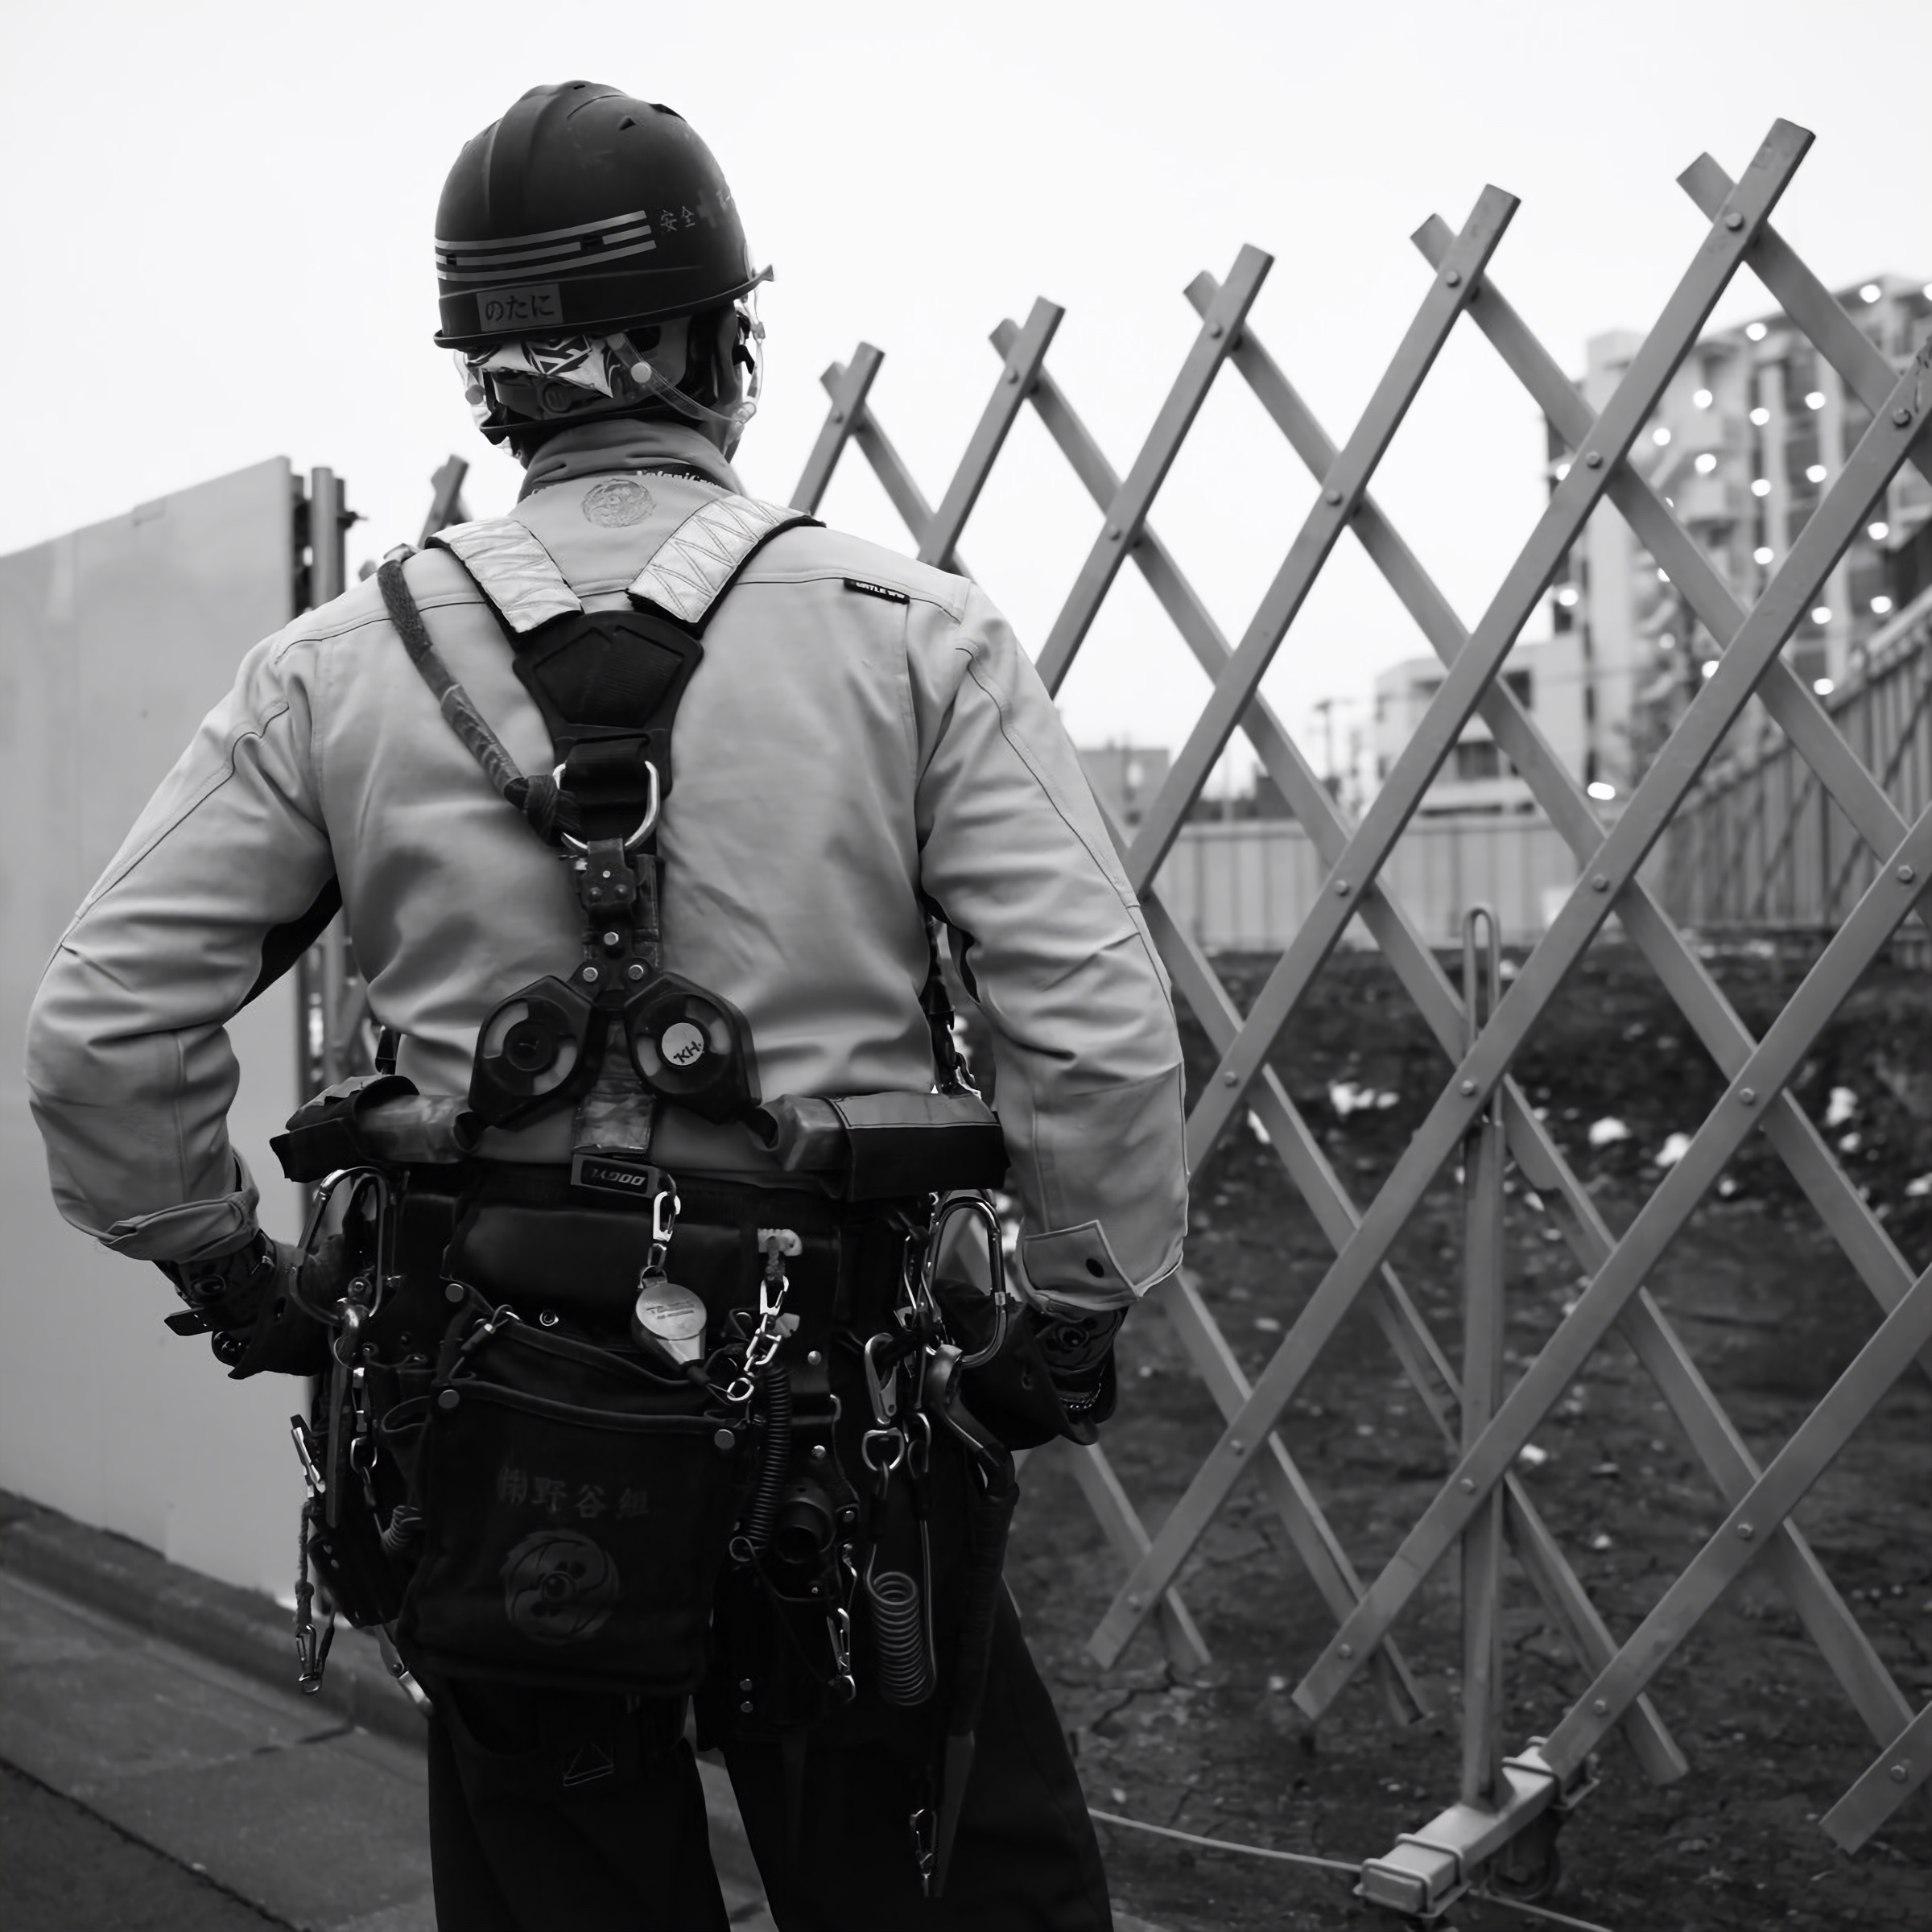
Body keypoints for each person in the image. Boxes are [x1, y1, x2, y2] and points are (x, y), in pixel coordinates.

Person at [26, 80, 1187, 1932]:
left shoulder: (332, 670)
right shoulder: (911, 633)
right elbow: (1096, 1021)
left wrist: (242, 1282)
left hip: (480, 1410)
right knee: (946, 1875)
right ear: (723, 346)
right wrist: (1059, 1322)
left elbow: (103, 1023)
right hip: (847, 1410)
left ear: (489, 381)